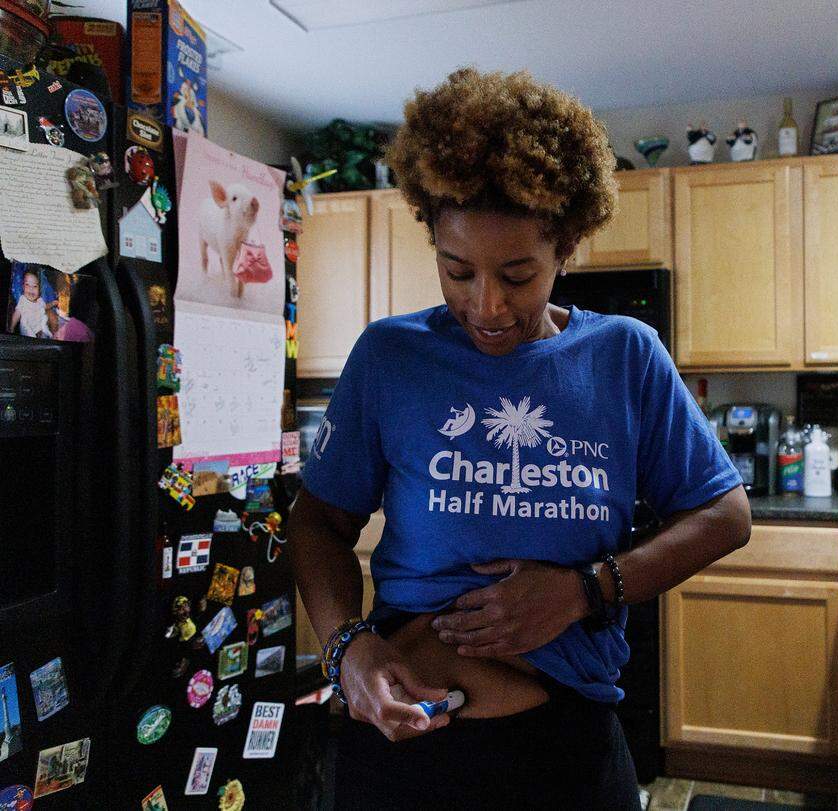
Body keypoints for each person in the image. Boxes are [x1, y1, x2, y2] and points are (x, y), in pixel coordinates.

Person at [290, 67, 751, 810]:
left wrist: (583, 590)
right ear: (432, 241)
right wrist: (347, 648)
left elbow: (726, 515)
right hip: (403, 751)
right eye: (457, 270)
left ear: (566, 246)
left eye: (517, 274)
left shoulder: (625, 356)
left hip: (562, 755)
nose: (488, 304)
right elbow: (318, 520)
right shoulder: (389, 356)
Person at [8, 268, 52, 338]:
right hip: (27, 330)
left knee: (45, 320)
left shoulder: (40, 300)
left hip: (40, 329)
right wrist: (11, 327)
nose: (31, 289)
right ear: (23, 287)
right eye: (27, 285)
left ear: (39, 289)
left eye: (35, 286)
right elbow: (17, 313)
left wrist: (52, 304)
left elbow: (45, 306)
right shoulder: (23, 300)